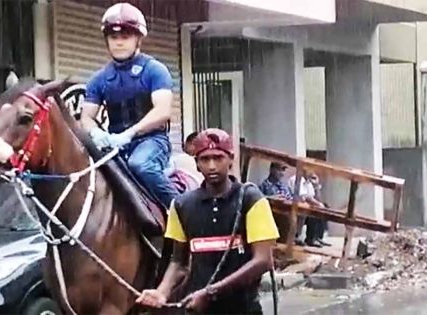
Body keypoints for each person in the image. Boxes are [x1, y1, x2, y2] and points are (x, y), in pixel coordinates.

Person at [136, 128, 280, 314]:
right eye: (205, 159)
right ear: (196, 163)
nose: (212, 166)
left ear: (231, 159)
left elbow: (263, 260)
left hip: (243, 309)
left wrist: (210, 292)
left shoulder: (251, 200)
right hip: (199, 308)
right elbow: (178, 263)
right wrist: (161, 292)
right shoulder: (181, 205)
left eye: (218, 158)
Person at [80, 2, 178, 208]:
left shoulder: (155, 70)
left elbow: (162, 110)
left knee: (140, 165)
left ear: (138, 39)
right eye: (113, 37)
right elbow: (86, 117)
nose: (119, 42)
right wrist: (97, 134)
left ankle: (182, 212)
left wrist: (131, 133)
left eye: (125, 37)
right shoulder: (99, 79)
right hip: (113, 142)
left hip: (151, 141)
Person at [288, 172, 330, 247]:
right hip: (294, 206)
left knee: (324, 206)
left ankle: (317, 237)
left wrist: (316, 186)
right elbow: (305, 197)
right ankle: (308, 238)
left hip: (303, 206)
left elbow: (316, 198)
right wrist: (318, 204)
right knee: (313, 208)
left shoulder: (308, 182)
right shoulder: (297, 179)